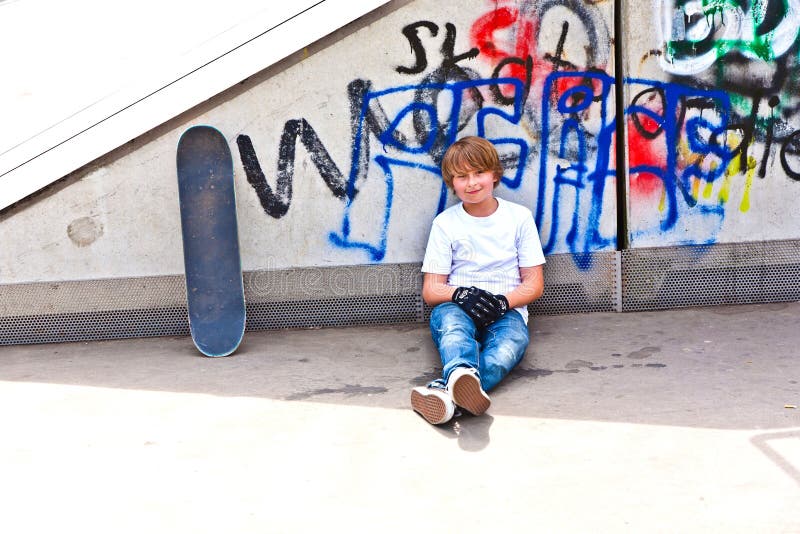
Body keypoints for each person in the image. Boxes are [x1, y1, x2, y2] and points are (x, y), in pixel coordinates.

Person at [411, 136, 546, 425]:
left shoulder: (519, 218)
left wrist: (503, 302)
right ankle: (460, 375)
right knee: (454, 331)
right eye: (462, 177)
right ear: (452, 182)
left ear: (494, 174)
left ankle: (444, 395)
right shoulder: (445, 223)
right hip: (456, 306)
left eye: (479, 173)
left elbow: (534, 283)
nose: (471, 183)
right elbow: (431, 289)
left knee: (508, 349)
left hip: (506, 309)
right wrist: (461, 295)